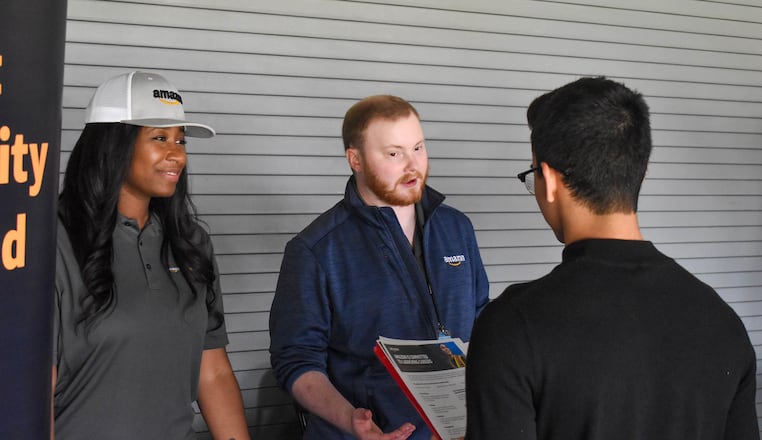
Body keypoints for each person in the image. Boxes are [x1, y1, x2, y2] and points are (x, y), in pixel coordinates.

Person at [465, 77, 759, 440]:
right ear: (640, 172)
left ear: (551, 181)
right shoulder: (723, 323)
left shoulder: (512, 326)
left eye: (534, 175)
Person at [269, 95, 489, 439]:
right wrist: (350, 419)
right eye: (393, 153)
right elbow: (296, 359)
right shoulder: (314, 250)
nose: (412, 165)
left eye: (418, 148)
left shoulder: (457, 228)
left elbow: (481, 322)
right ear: (355, 159)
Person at [52, 71, 250, 439]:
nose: (176, 154)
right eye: (160, 138)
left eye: (181, 140)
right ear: (112, 143)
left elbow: (213, 371)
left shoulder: (191, 242)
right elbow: (31, 392)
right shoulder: (54, 244)